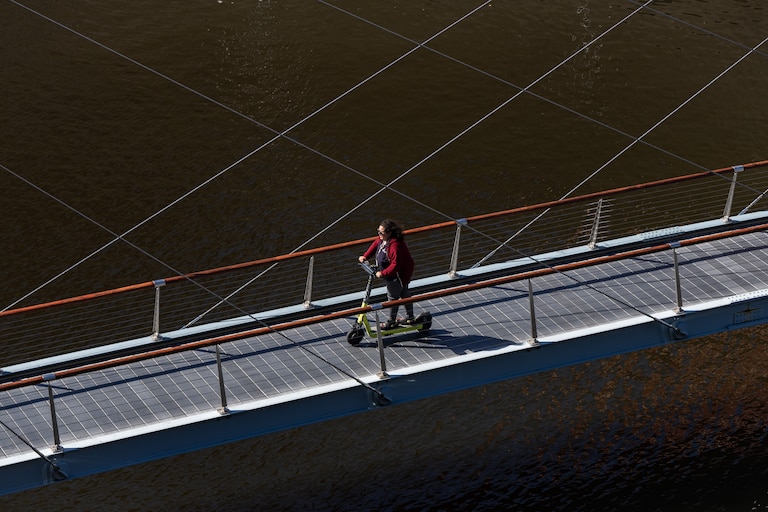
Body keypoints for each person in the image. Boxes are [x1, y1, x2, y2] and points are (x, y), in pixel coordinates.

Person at [358, 219, 415, 329]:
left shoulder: (395, 245)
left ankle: (391, 321)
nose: (378, 234)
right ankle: (410, 317)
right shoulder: (383, 239)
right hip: (393, 274)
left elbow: (395, 265)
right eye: (378, 231)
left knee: (392, 298)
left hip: (397, 275)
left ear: (389, 233)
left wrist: (383, 273)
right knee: (404, 293)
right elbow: (375, 245)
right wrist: (365, 256)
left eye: (381, 232)